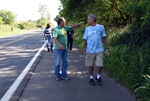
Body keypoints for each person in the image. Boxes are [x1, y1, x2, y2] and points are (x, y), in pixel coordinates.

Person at [83, 14, 110, 86]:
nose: (87, 20)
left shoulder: (101, 27)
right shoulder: (87, 29)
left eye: (88, 19)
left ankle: (98, 77)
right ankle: (91, 77)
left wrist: (107, 48)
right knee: (90, 65)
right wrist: (84, 48)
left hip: (99, 50)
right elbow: (85, 39)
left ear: (93, 19)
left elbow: (103, 38)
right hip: (90, 50)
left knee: (100, 64)